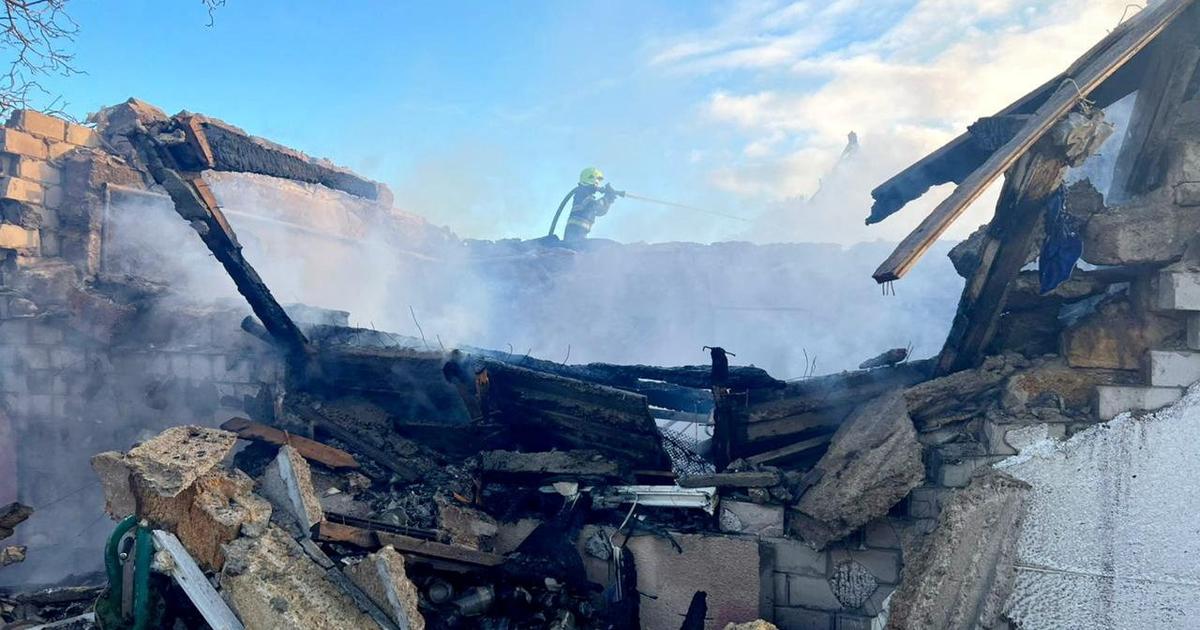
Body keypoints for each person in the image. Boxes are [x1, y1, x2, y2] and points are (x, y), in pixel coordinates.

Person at [563, 167, 623, 242]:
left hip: (579, 237)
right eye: (597, 181)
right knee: (608, 245)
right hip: (574, 238)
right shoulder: (581, 193)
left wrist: (609, 201)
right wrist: (607, 198)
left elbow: (600, 212)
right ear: (590, 179)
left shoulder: (587, 195)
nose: (598, 184)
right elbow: (594, 206)